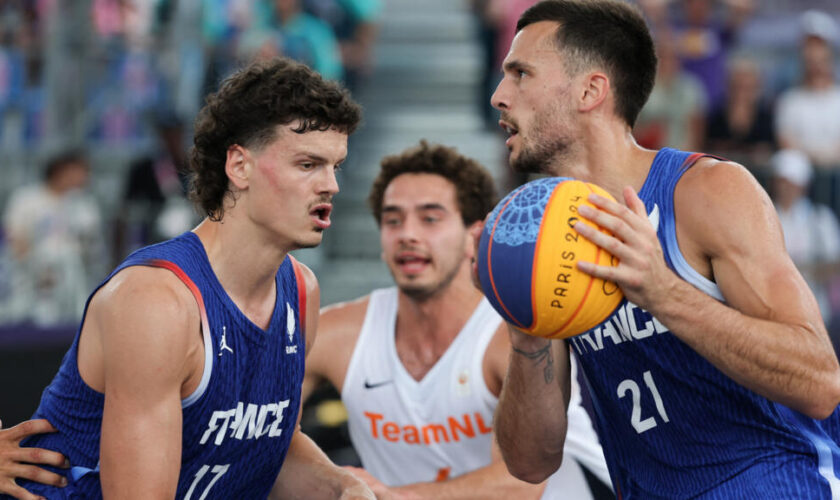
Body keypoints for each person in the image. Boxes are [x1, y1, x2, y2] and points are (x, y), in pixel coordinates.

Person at [489, 1, 840, 498]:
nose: (499, 96)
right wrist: (525, 334)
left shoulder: (707, 191)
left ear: (590, 90)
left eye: (520, 74)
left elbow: (820, 383)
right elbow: (530, 463)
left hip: (778, 483)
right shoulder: (547, 241)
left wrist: (664, 293)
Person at [0, 57, 374, 499]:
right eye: (308, 164)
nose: (331, 184)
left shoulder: (300, 290)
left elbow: (265, 448)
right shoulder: (157, 301)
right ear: (239, 166)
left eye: (336, 166)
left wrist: (341, 486)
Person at [305, 141, 613, 499]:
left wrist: (390, 495)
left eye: (430, 218)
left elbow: (520, 485)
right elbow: (268, 428)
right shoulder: (338, 332)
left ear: (475, 237)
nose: (407, 234)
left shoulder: (511, 331)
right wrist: (332, 481)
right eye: (392, 220)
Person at [2, 150, 106, 326]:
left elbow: (93, 248)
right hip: (30, 277)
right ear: (60, 171)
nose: (84, 177)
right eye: (79, 171)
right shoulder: (27, 199)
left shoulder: (85, 205)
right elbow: (15, 239)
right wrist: (36, 267)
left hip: (73, 277)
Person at [770, 148, 840, 324]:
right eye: (782, 181)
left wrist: (796, 272)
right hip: (774, 310)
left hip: (815, 310)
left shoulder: (821, 218)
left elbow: (834, 263)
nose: (786, 187)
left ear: (803, 185)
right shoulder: (765, 215)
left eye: (792, 182)